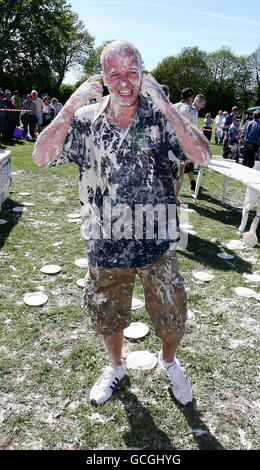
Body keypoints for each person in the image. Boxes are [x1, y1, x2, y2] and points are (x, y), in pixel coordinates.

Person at [32, 40, 211, 406]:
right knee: (106, 314)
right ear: (103, 76)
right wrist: (70, 103)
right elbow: (39, 156)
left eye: (132, 72)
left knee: (171, 314)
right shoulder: (85, 121)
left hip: (157, 239)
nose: (124, 81)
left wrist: (163, 102)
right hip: (104, 242)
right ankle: (115, 367)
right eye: (114, 73)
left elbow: (202, 155)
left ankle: (169, 363)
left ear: (143, 72)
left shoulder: (160, 117)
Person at [173, 91, 206, 202]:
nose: (203, 106)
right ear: (191, 98)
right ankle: (175, 197)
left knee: (171, 170)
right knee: (180, 171)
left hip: (171, 141)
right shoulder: (192, 110)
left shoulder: (174, 106)